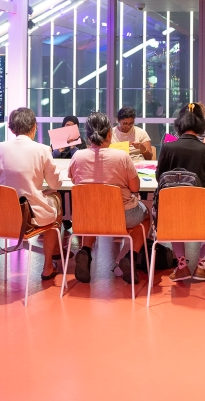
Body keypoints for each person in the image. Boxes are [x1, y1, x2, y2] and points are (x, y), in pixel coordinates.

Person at [68, 112, 151, 284]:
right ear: (109, 134)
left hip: (88, 216)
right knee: (146, 217)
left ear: (87, 135)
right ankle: (131, 256)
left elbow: (75, 181)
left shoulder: (78, 156)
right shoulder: (121, 157)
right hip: (121, 216)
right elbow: (135, 188)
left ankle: (85, 250)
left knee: (94, 218)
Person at [0, 107, 63, 280]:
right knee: (56, 198)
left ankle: (50, 258)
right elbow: (55, 184)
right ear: (34, 127)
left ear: (11, 128)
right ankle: (49, 265)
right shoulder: (42, 149)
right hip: (31, 217)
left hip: (3, 216)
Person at [156, 103, 205, 282]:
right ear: (201, 125)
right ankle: (202, 266)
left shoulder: (168, 148)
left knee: (175, 225)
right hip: (202, 212)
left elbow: (159, 176)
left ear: (179, 125)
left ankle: (181, 266)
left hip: (174, 210)